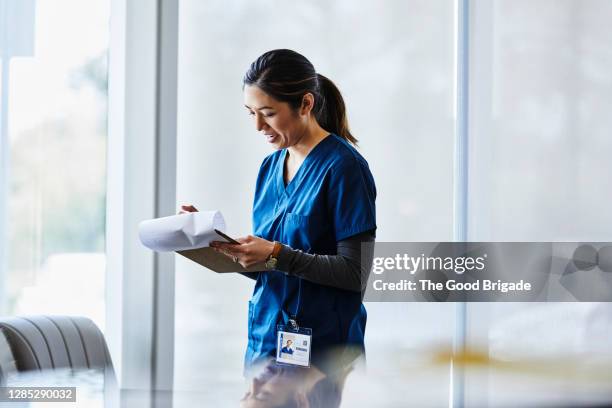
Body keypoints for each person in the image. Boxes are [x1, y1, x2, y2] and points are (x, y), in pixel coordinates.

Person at [180, 49, 376, 376]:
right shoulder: (269, 168)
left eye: (268, 113)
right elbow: (272, 267)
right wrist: (221, 246)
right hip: (265, 347)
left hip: (323, 356)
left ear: (306, 104)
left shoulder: (345, 168)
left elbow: (354, 274)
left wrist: (275, 254)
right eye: (251, 113)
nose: (258, 125)